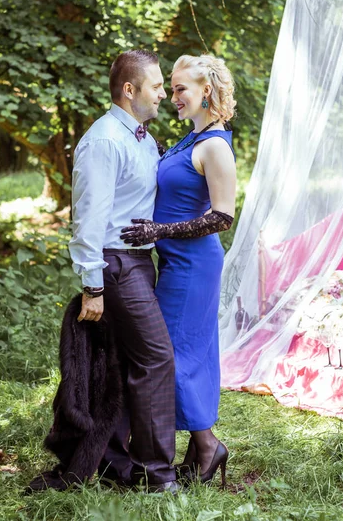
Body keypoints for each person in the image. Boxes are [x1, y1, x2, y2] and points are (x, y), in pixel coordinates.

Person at [120, 54, 237, 486]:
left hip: (195, 264)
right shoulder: (191, 139)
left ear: (206, 90)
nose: (173, 97)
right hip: (174, 261)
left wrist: (158, 229)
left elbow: (222, 217)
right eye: (170, 89)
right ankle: (201, 445)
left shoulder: (215, 146)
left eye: (181, 88)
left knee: (174, 354)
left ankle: (205, 446)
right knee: (178, 352)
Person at [68, 49, 179, 493]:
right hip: (115, 266)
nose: (162, 95)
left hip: (138, 262)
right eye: (155, 86)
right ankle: (159, 477)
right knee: (156, 358)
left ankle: (119, 466)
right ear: (129, 90)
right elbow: (88, 221)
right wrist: (92, 286)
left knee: (123, 363)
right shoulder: (104, 141)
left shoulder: (141, 137)